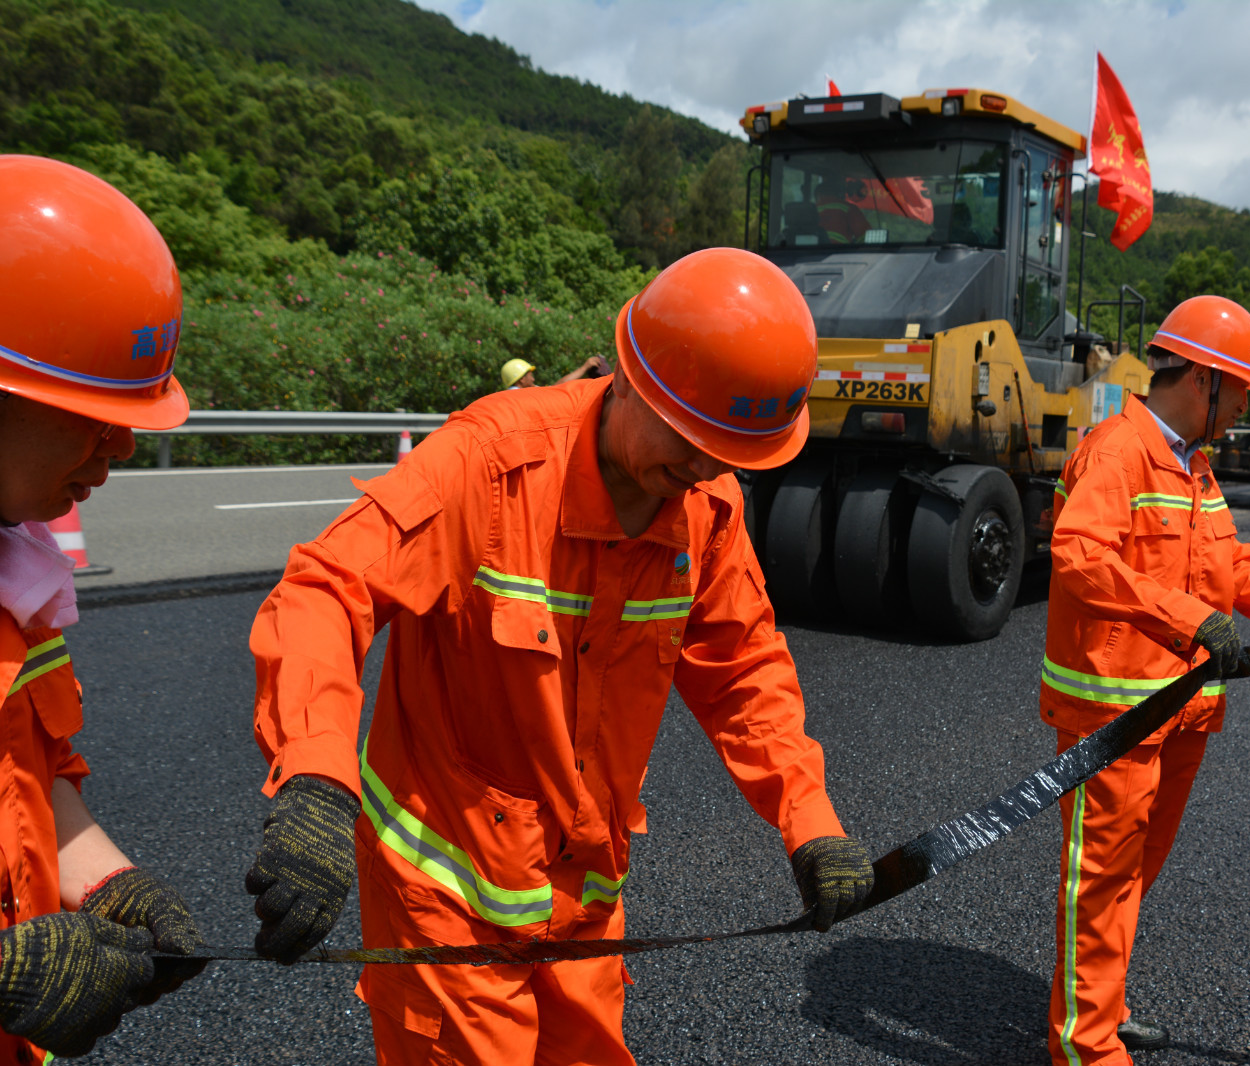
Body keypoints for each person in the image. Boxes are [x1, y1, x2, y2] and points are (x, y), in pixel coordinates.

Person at [247, 247, 873, 1065]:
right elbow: (326, 590)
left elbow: (746, 672)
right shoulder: (488, 466)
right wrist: (317, 780)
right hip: (445, 905)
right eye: (688, 440)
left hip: (583, 903)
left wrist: (810, 822)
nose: (700, 470)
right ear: (626, 375)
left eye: (726, 456)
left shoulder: (706, 508)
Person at [1041, 295, 1250, 1064]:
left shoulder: (1192, 465)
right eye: (1239, 395)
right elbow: (1079, 555)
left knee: (1135, 875)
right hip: (1116, 713)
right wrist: (1188, 620)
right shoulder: (1118, 451)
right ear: (1202, 381)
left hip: (1180, 710)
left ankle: (1103, 1007)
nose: (1241, 413)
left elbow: (1231, 561)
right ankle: (1085, 1048)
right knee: (1099, 884)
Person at [0, 154, 206, 1062]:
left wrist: (110, 883)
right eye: (88, 414)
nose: (120, 448)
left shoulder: (17, 572)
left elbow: (29, 782)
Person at [500, 355, 611, 390]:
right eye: (530, 376)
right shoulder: (523, 396)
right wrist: (584, 368)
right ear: (522, 379)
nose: (533, 380)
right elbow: (556, 389)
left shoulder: (508, 398)